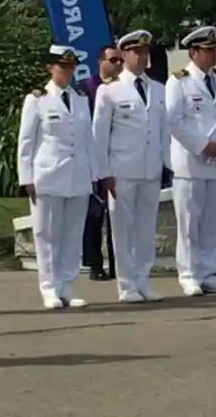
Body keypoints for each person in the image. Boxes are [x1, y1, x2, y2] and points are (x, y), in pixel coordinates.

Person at [93, 29, 170, 303]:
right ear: (124, 54)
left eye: (145, 52)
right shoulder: (109, 91)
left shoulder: (159, 89)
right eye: (136, 52)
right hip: (122, 169)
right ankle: (126, 285)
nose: (141, 57)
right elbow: (99, 135)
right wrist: (103, 173)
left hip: (150, 167)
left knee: (147, 229)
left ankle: (143, 280)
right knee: (123, 228)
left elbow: (162, 130)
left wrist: (166, 164)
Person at [18, 45, 97, 309]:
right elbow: (26, 142)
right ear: (50, 68)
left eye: (71, 67)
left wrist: (94, 173)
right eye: (62, 67)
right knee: (47, 234)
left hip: (78, 175)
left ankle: (67, 285)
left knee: (72, 234)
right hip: (48, 174)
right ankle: (49, 287)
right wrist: (26, 177)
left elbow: (88, 140)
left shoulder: (81, 98)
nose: (67, 72)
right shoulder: (37, 99)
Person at [165, 25, 216, 296]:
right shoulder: (179, 81)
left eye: (214, 50)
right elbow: (174, 120)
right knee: (189, 222)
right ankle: (188, 273)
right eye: (207, 51)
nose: (212, 56)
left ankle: (207, 272)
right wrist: (202, 144)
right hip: (191, 161)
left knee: (210, 221)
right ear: (193, 52)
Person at [80, 45, 122, 281]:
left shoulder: (123, 88)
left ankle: (118, 265)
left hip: (118, 157)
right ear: (101, 62)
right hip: (93, 158)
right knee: (95, 214)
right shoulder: (86, 88)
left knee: (117, 216)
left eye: (119, 60)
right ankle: (95, 264)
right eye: (113, 60)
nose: (117, 64)